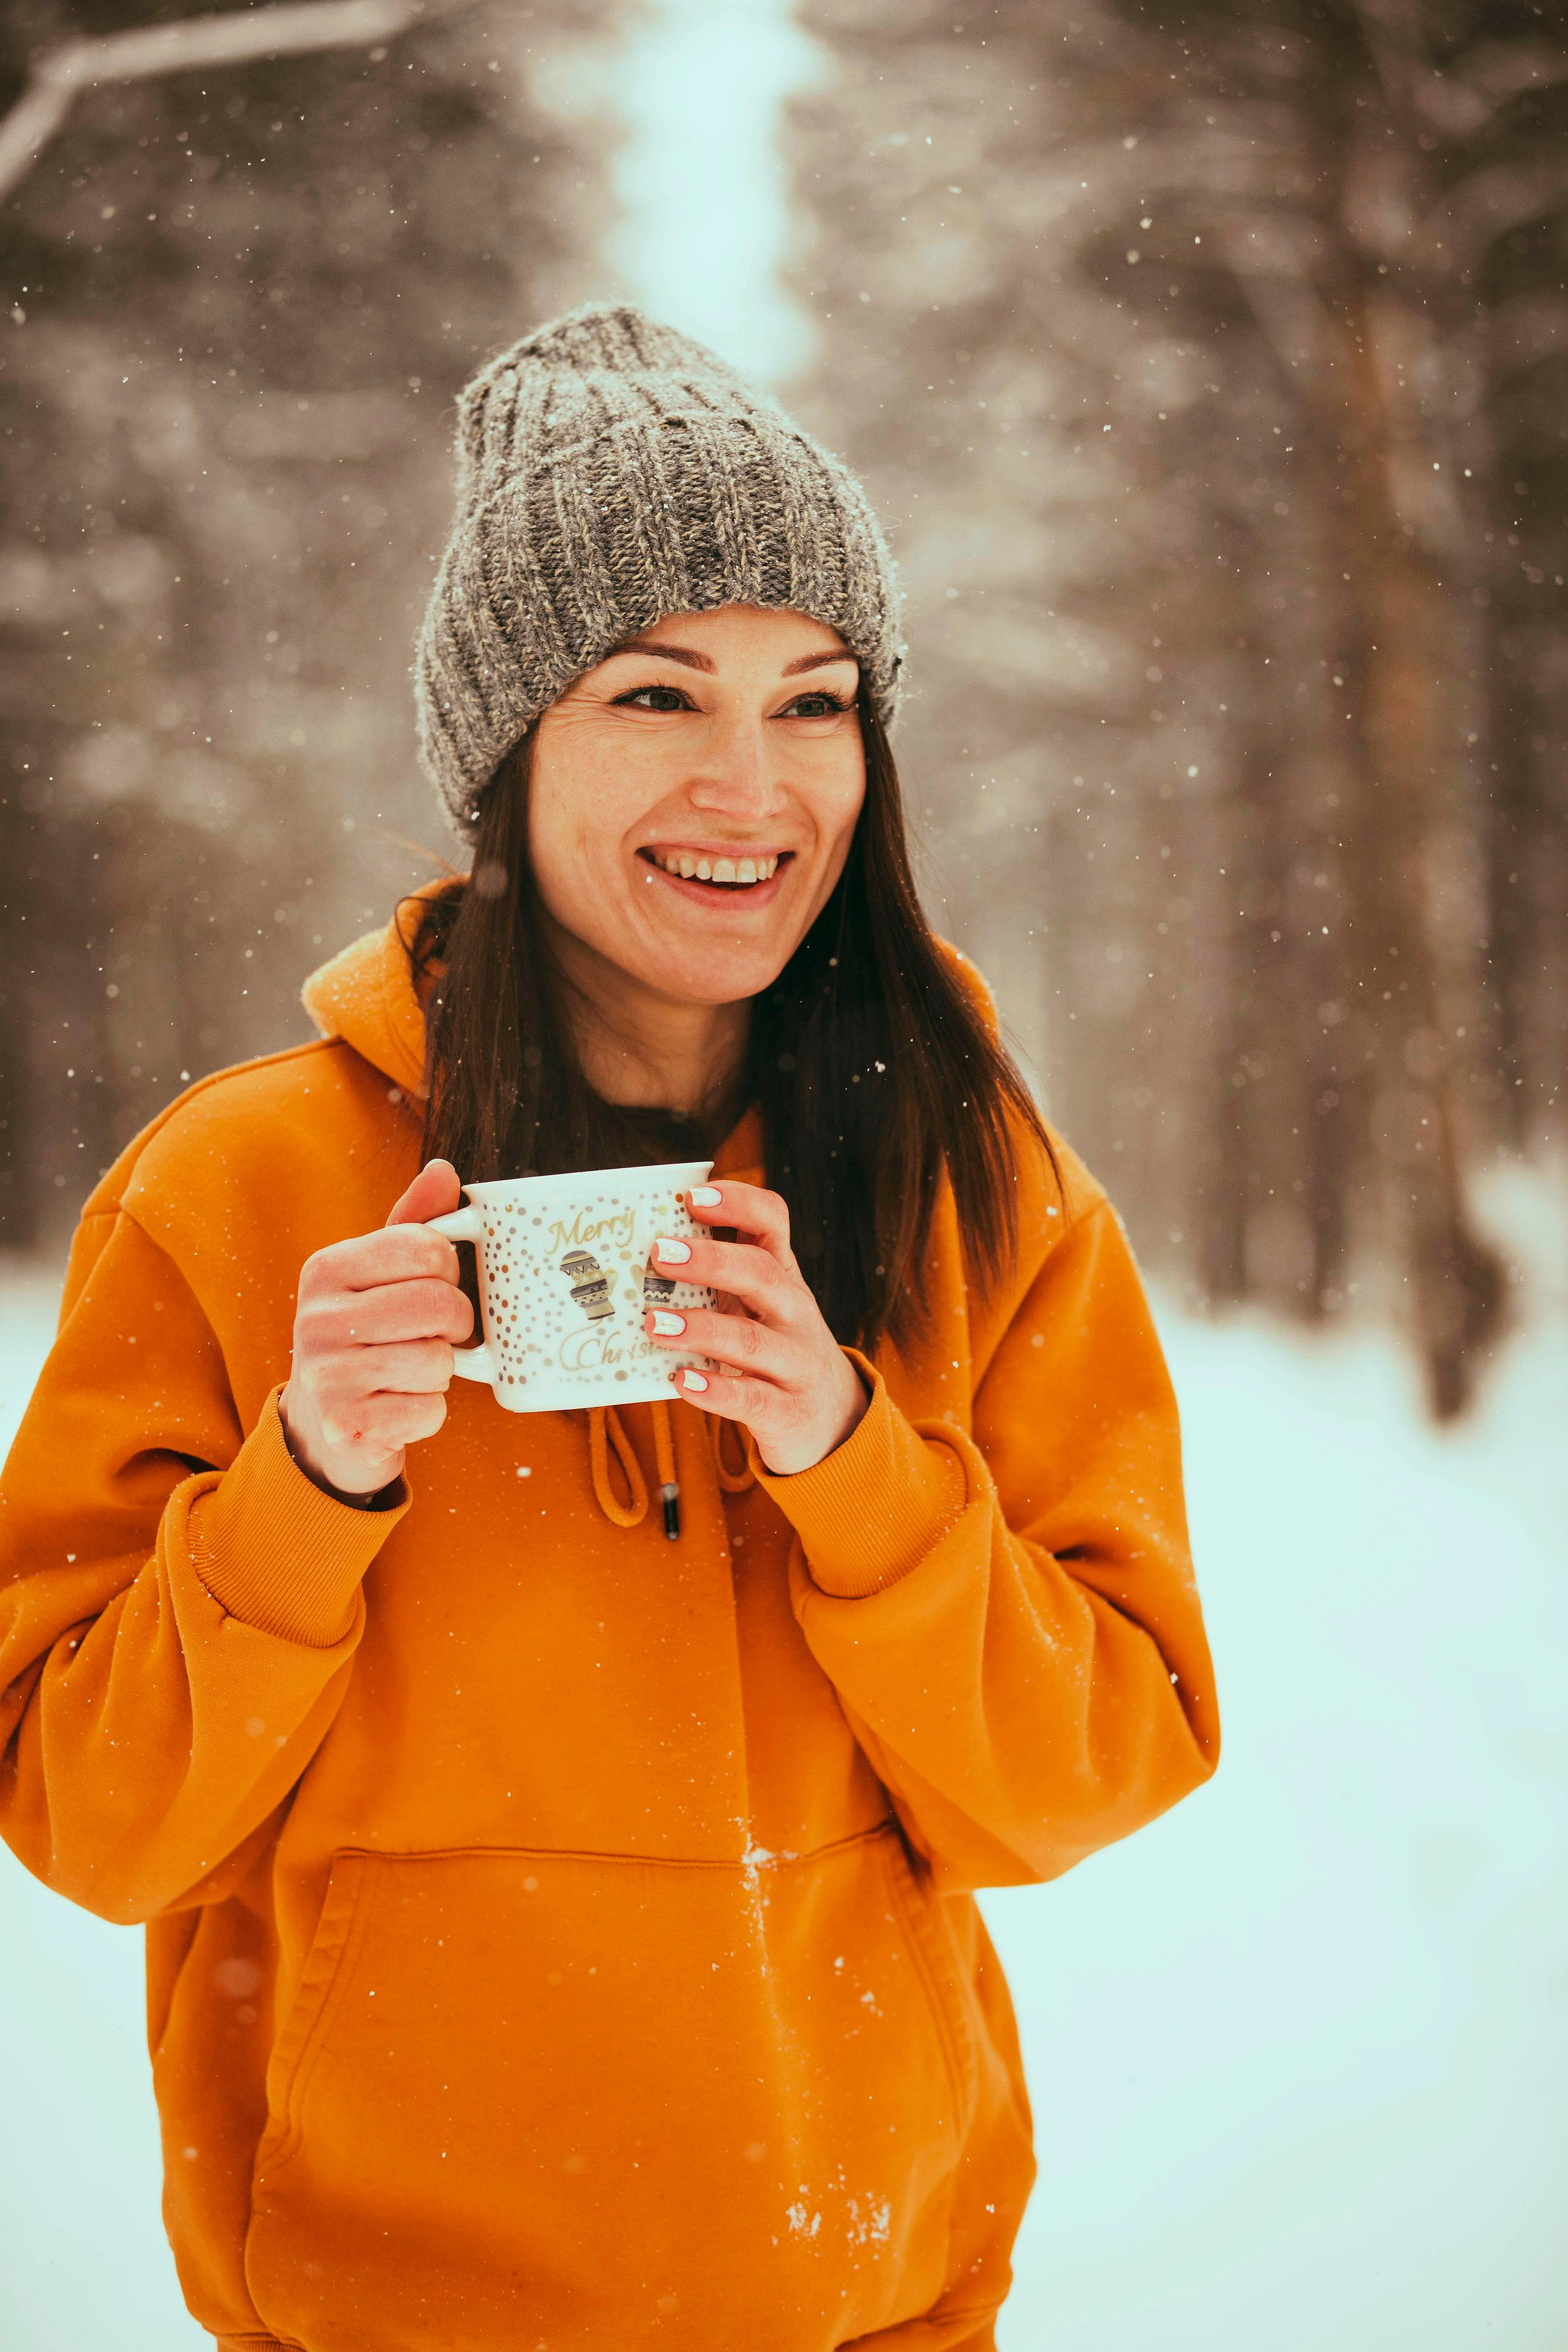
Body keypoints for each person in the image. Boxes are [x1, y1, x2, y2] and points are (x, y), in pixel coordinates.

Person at [0, 306, 1217, 2352]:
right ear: (509, 747)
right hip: (376, 2317)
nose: (753, 783)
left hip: (872, 2308)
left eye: (816, 703)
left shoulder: (969, 1182)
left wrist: (857, 1464)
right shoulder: (236, 1192)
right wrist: (306, 1482)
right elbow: (90, 1825)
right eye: (658, 692)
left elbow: (1088, 1778)